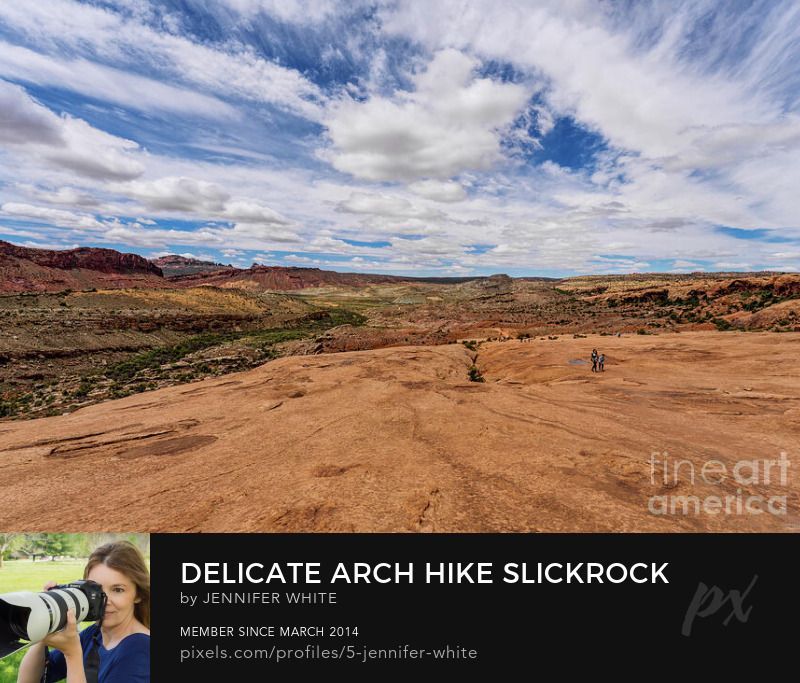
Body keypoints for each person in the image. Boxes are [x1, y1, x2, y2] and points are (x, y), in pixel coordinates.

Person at [17, 541, 150, 683]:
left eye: (118, 590)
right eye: (96, 590)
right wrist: (47, 623)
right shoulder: (94, 635)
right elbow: (29, 680)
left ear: (138, 594)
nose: (104, 601)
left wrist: (72, 654)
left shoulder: (141, 649)